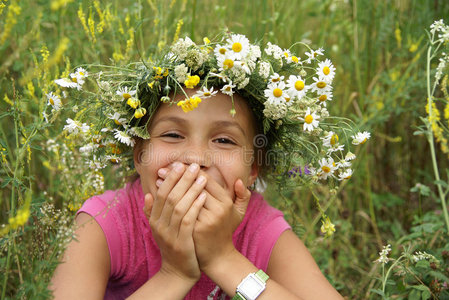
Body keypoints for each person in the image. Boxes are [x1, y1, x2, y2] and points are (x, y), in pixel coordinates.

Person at [50, 33, 357, 299]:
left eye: (224, 141)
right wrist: (174, 274)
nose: (196, 158)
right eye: (172, 135)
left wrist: (224, 259)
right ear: (139, 153)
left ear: (253, 169)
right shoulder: (105, 224)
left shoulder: (261, 232)